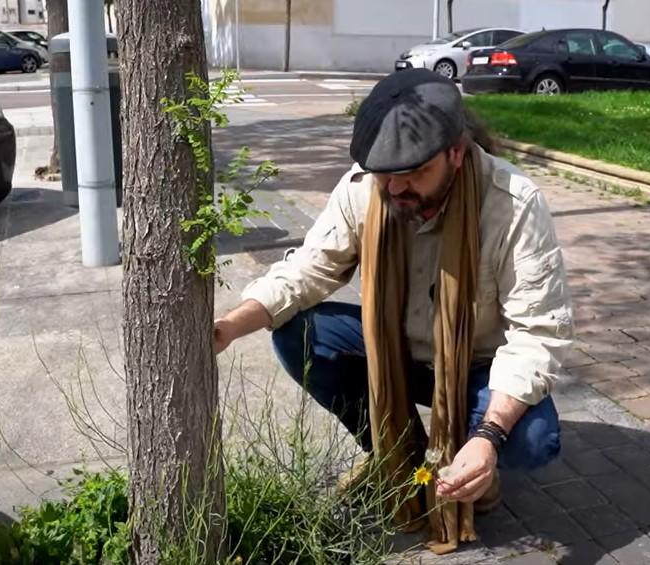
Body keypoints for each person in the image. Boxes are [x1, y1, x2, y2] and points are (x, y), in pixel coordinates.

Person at [212, 69, 573, 552]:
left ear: (456, 153)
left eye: (416, 174)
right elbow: (308, 271)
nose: (398, 189)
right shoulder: (363, 188)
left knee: (531, 441)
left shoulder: (513, 203)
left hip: (478, 368)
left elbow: (537, 333)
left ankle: (475, 462)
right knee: (298, 335)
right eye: (387, 175)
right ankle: (391, 454)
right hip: (398, 356)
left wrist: (488, 436)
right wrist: (229, 327)